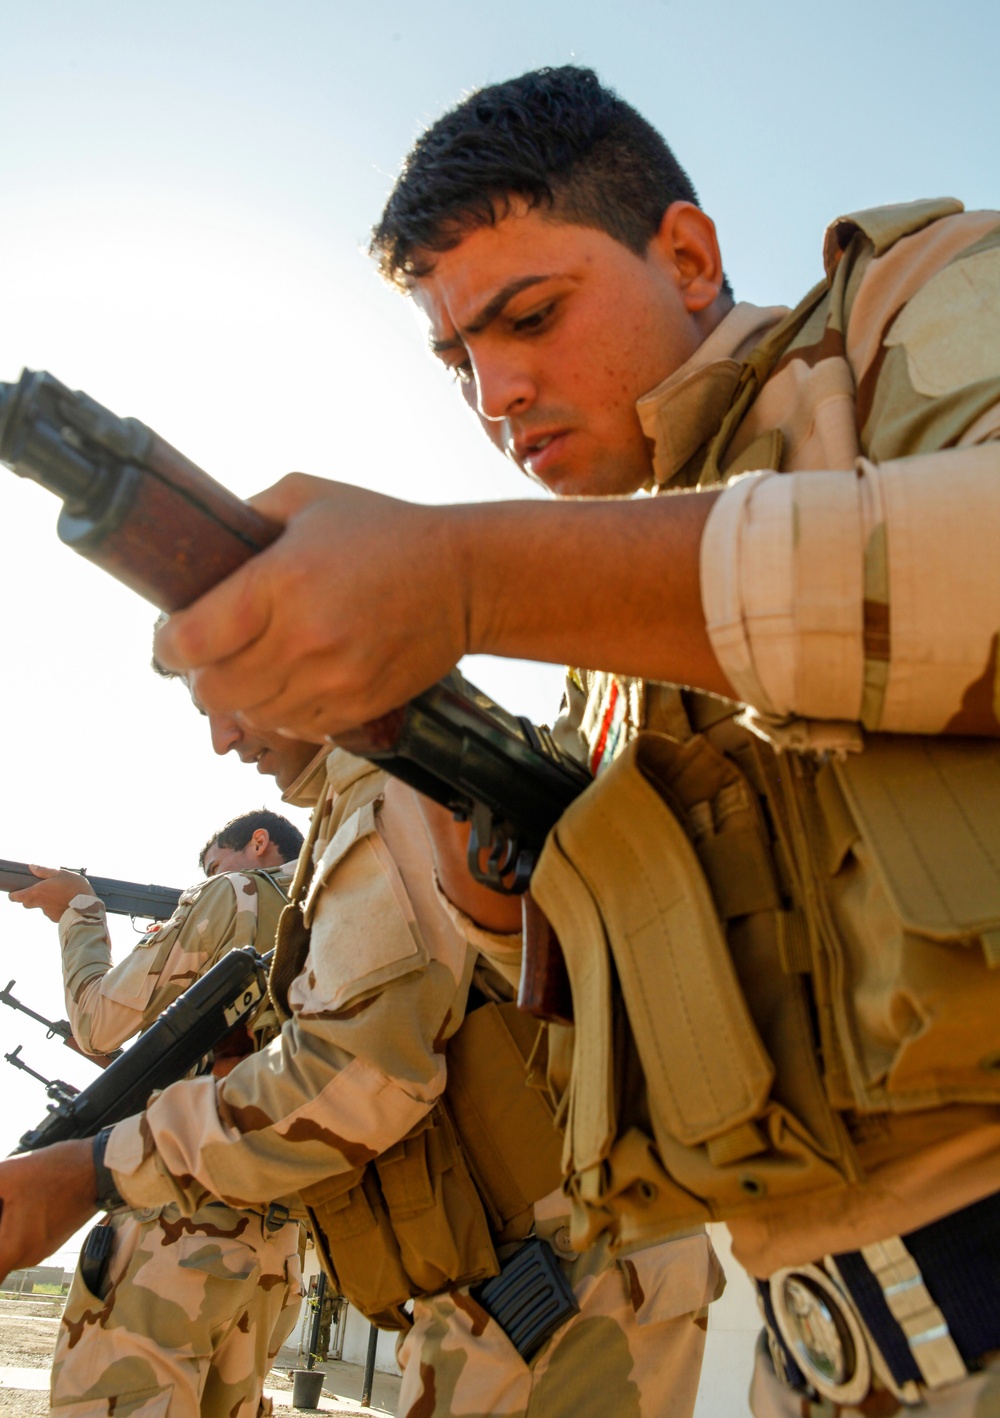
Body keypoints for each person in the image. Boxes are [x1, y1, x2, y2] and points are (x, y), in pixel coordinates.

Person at [146, 66, 1000, 1415]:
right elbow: (632, 1019)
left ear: (687, 255)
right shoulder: (605, 668)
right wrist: (494, 893)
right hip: (824, 1353)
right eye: (456, 361)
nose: (496, 393)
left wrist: (470, 575)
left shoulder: (912, 307)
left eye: (532, 316)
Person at [11, 810, 305, 1418]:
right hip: (281, 1246)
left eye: (213, 864)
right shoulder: (337, 909)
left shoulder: (235, 892)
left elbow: (97, 1020)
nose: (207, 878)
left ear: (258, 843)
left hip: (183, 1217)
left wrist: (79, 911)